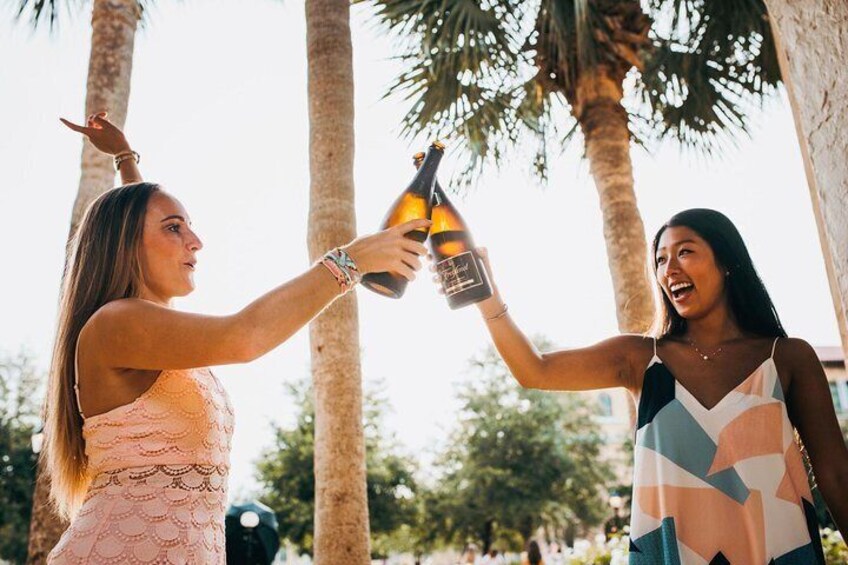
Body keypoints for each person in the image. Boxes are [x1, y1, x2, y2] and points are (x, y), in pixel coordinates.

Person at [45, 113, 429, 563]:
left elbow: (140, 228)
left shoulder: (146, 330)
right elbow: (245, 337)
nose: (196, 241)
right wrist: (349, 261)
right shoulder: (115, 324)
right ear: (125, 245)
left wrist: (127, 160)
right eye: (176, 228)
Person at [469, 209, 847, 563]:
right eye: (661, 260)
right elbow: (535, 370)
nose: (670, 269)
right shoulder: (639, 359)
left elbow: (836, 475)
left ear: (728, 263)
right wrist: (486, 295)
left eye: (685, 252)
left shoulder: (788, 357)